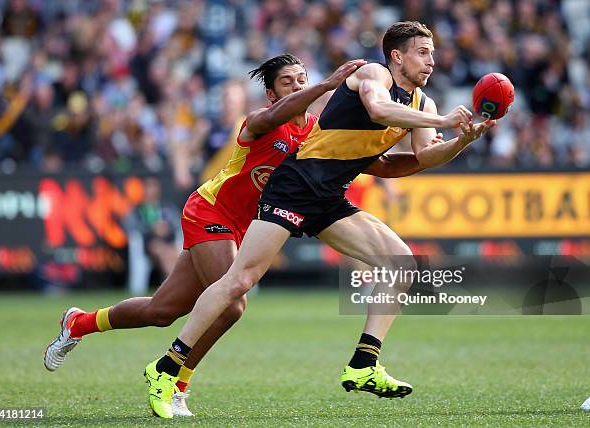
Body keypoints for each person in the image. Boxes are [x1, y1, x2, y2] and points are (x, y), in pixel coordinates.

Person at [146, 20, 495, 408]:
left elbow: (426, 155)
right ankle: (167, 365)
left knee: (402, 263)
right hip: (296, 185)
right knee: (239, 281)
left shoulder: (423, 104)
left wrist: (462, 138)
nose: (432, 61)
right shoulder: (373, 73)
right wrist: (445, 121)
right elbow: (378, 109)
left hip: (328, 195)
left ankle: (364, 363)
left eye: (433, 53)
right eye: (423, 52)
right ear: (398, 56)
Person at [44, 54, 371, 418]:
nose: (298, 86)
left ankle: (79, 323)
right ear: (271, 94)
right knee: (233, 303)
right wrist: (325, 85)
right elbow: (280, 114)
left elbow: (363, 161)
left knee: (161, 310)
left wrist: (427, 146)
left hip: (240, 227)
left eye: (302, 79)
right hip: (210, 212)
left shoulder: (313, 132)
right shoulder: (259, 122)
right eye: (288, 82)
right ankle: (176, 382)